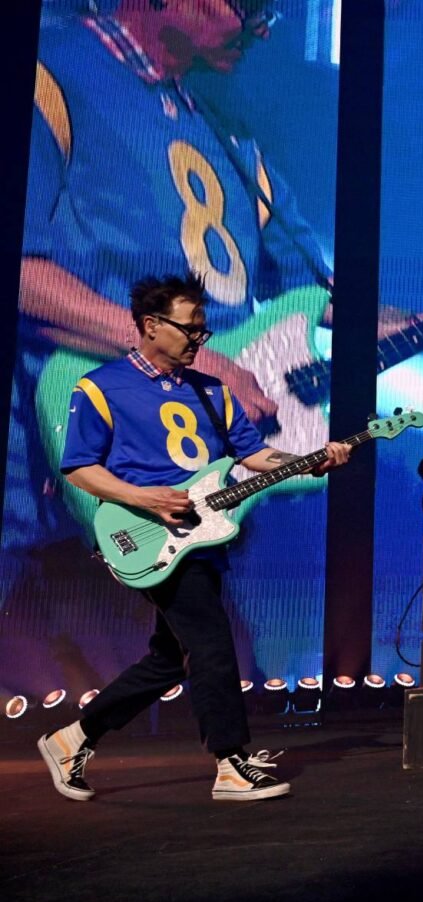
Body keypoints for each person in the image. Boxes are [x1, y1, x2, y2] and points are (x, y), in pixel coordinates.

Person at [7, 0, 423, 686]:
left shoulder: (225, 131)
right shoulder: (47, 73)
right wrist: (198, 359)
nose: (261, 27)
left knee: (217, 707)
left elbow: (316, 303)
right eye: (247, 5)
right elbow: (24, 278)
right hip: (49, 503)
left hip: (180, 501)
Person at [37, 274, 352, 802]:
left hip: (200, 537)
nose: (198, 340)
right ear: (150, 325)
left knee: (170, 658)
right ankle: (230, 762)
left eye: (202, 331)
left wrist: (309, 459)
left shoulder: (212, 391)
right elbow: (80, 468)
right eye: (189, 329)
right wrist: (145, 499)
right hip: (145, 533)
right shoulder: (100, 387)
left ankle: (72, 739)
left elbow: (255, 455)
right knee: (210, 641)